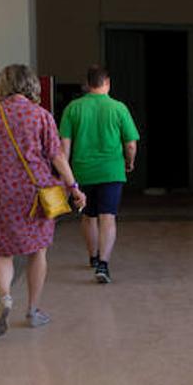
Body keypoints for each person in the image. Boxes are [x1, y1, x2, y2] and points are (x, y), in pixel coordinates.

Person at [0, 64, 85, 336]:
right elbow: (57, 156)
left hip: (1, 189)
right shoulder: (41, 115)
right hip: (37, 192)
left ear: (3, 85)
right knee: (38, 251)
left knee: (2, 250)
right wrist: (73, 188)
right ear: (31, 85)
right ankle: (33, 311)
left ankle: (5, 298)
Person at [59, 65, 139, 284]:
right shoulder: (118, 108)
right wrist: (129, 162)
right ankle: (104, 264)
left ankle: (93, 257)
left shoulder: (73, 108)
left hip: (82, 172)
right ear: (108, 82)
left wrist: (66, 177)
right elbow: (130, 144)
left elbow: (63, 147)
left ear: (87, 84)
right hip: (112, 170)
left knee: (88, 216)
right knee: (108, 217)